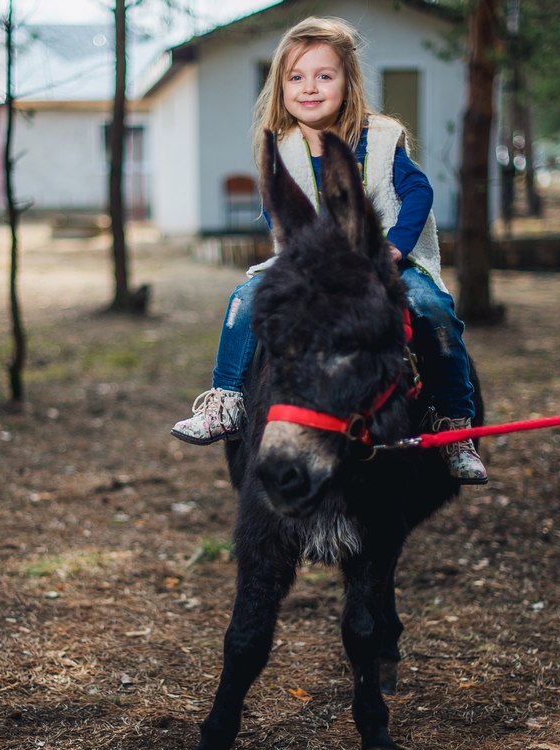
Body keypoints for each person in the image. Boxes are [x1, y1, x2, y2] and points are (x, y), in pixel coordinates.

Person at [170, 16, 487, 484]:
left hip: (389, 258)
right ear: (280, 87)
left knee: (432, 309)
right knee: (244, 299)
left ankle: (454, 424)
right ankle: (228, 398)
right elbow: (282, 212)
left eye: (324, 75)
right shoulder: (283, 148)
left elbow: (418, 193)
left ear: (347, 81)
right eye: (296, 77)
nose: (310, 87)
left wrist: (395, 248)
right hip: (311, 261)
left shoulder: (378, 138)